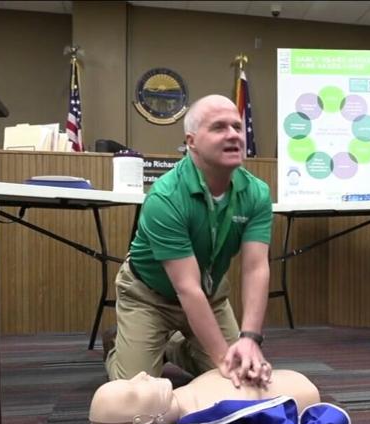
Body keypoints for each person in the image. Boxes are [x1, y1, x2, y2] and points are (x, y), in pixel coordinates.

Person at [105, 95, 273, 388]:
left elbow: (255, 269)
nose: (233, 134)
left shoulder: (256, 193)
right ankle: (119, 350)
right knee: (133, 393)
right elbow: (187, 287)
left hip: (211, 294)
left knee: (241, 380)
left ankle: (174, 348)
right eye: (219, 127)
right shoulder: (166, 197)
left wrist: (249, 339)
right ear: (192, 141)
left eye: (237, 126)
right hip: (149, 296)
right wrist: (224, 360)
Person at [88, 369, 351, 424]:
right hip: (301, 392)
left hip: (288, 378)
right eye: (134, 389)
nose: (142, 375)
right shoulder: (212, 415)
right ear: (142, 420)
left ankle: (177, 344)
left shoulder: (190, 394)